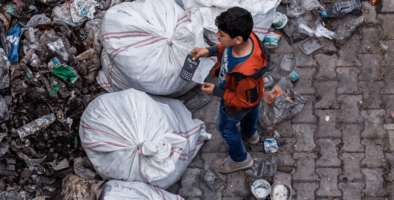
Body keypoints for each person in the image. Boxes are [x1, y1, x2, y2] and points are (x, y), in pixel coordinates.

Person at [190, 7, 270, 174]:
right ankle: (250, 134)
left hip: (238, 100)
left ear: (238, 39)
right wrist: (210, 51)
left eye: (221, 34)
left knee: (225, 127)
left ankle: (240, 159)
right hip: (248, 98)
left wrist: (217, 92)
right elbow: (226, 50)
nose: (217, 36)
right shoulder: (250, 38)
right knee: (251, 111)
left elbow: (243, 101)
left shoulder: (246, 75)